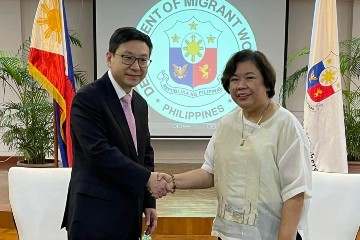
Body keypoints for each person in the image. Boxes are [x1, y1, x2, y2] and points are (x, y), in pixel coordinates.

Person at [159, 49, 312, 240]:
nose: (240, 86)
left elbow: (295, 193)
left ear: (266, 82)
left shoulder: (286, 125)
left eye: (249, 78)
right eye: (234, 79)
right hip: (229, 234)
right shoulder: (227, 124)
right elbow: (210, 172)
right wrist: (171, 181)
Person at [62, 27, 171, 240]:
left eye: (143, 60)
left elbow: (145, 153)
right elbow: (99, 152)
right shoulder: (88, 98)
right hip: (94, 215)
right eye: (128, 58)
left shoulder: (140, 103)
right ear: (109, 58)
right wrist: (148, 179)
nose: (136, 66)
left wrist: (148, 202)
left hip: (129, 213)